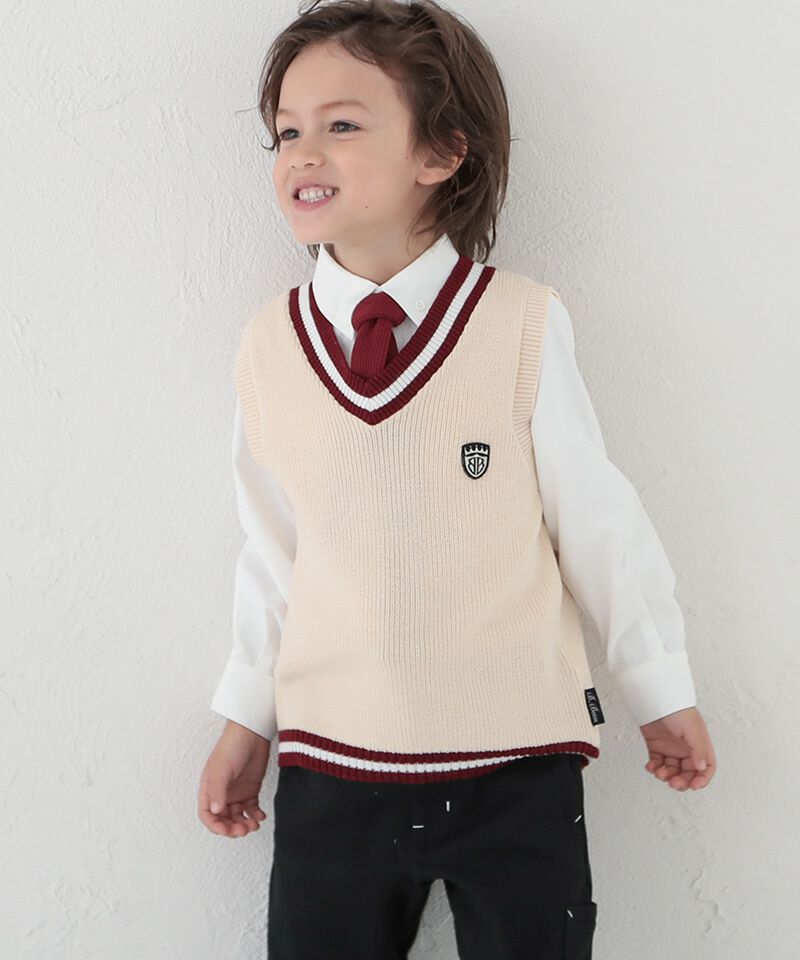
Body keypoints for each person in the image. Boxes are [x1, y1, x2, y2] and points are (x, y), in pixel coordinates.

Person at [198, 1, 717, 956]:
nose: (304, 153)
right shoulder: (270, 346)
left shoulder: (519, 325)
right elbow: (272, 553)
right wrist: (245, 719)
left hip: (516, 768)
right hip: (331, 770)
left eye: (342, 124)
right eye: (287, 131)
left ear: (440, 153)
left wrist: (658, 684)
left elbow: (595, 518)